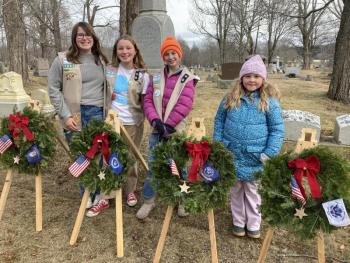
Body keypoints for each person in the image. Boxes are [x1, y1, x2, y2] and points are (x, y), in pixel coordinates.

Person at [213, 55, 284, 238]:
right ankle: (238, 222)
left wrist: (269, 152)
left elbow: (277, 129)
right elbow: (219, 121)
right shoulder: (230, 98)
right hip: (232, 153)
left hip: (255, 157)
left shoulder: (270, 102)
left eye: (256, 76)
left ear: (263, 79)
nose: (252, 80)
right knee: (235, 190)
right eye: (248, 76)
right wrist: (219, 145)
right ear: (241, 78)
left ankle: (253, 224)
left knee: (253, 191)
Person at [85, 35, 150, 217]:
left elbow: (146, 102)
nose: (125, 52)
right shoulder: (110, 70)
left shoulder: (142, 75)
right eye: (120, 48)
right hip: (111, 122)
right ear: (116, 52)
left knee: (129, 158)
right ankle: (107, 196)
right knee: (109, 158)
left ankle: (129, 190)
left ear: (135, 50)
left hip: (133, 123)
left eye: (128, 48)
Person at [136, 36, 199, 220]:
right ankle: (149, 200)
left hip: (175, 131)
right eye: (167, 54)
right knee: (154, 166)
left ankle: (183, 199)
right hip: (157, 130)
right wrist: (155, 121)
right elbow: (147, 100)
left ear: (179, 55)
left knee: (179, 166)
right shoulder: (156, 77)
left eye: (173, 53)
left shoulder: (187, 78)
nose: (170, 57)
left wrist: (169, 126)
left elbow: (185, 103)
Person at [48, 21, 109, 211]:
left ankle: (98, 194)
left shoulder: (102, 60)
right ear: (74, 38)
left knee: (98, 155)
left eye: (88, 34)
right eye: (80, 35)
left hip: (97, 113)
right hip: (74, 115)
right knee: (80, 156)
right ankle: (86, 195)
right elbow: (53, 89)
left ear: (94, 37)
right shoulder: (62, 60)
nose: (85, 38)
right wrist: (65, 116)